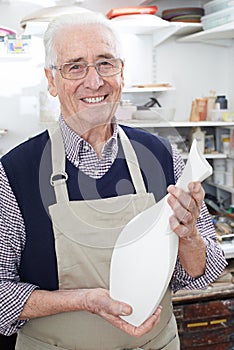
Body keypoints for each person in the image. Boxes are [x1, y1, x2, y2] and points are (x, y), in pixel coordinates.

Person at [0, 11, 227, 350]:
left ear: (122, 72)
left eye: (105, 63)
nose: (94, 81)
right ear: (51, 80)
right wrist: (84, 300)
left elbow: (201, 273)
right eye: (75, 66)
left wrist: (190, 236)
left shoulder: (163, 156)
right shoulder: (14, 171)